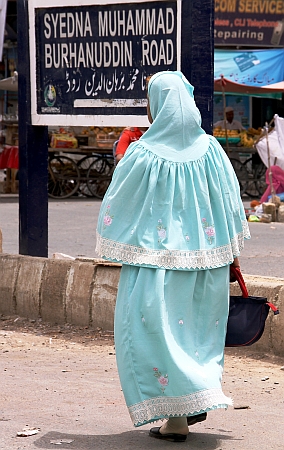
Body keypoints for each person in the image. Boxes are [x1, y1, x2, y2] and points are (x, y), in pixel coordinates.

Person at [96, 71, 250, 442]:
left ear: (156, 105)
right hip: (207, 267)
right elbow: (230, 205)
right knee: (196, 338)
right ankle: (190, 406)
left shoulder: (143, 154)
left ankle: (176, 418)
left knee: (154, 337)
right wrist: (229, 253)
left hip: (155, 266)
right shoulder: (213, 151)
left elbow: (120, 201)